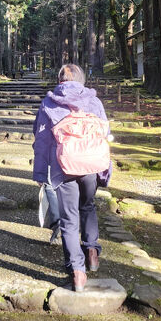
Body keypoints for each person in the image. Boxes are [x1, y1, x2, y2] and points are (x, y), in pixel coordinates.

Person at [32, 63, 111, 292]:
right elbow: (103, 135)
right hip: (91, 165)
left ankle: (77, 272)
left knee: (69, 218)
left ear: (59, 80)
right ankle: (92, 251)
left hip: (63, 167)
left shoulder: (49, 102)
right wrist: (105, 170)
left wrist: (40, 173)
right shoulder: (94, 101)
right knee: (88, 206)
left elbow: (42, 141)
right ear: (81, 79)